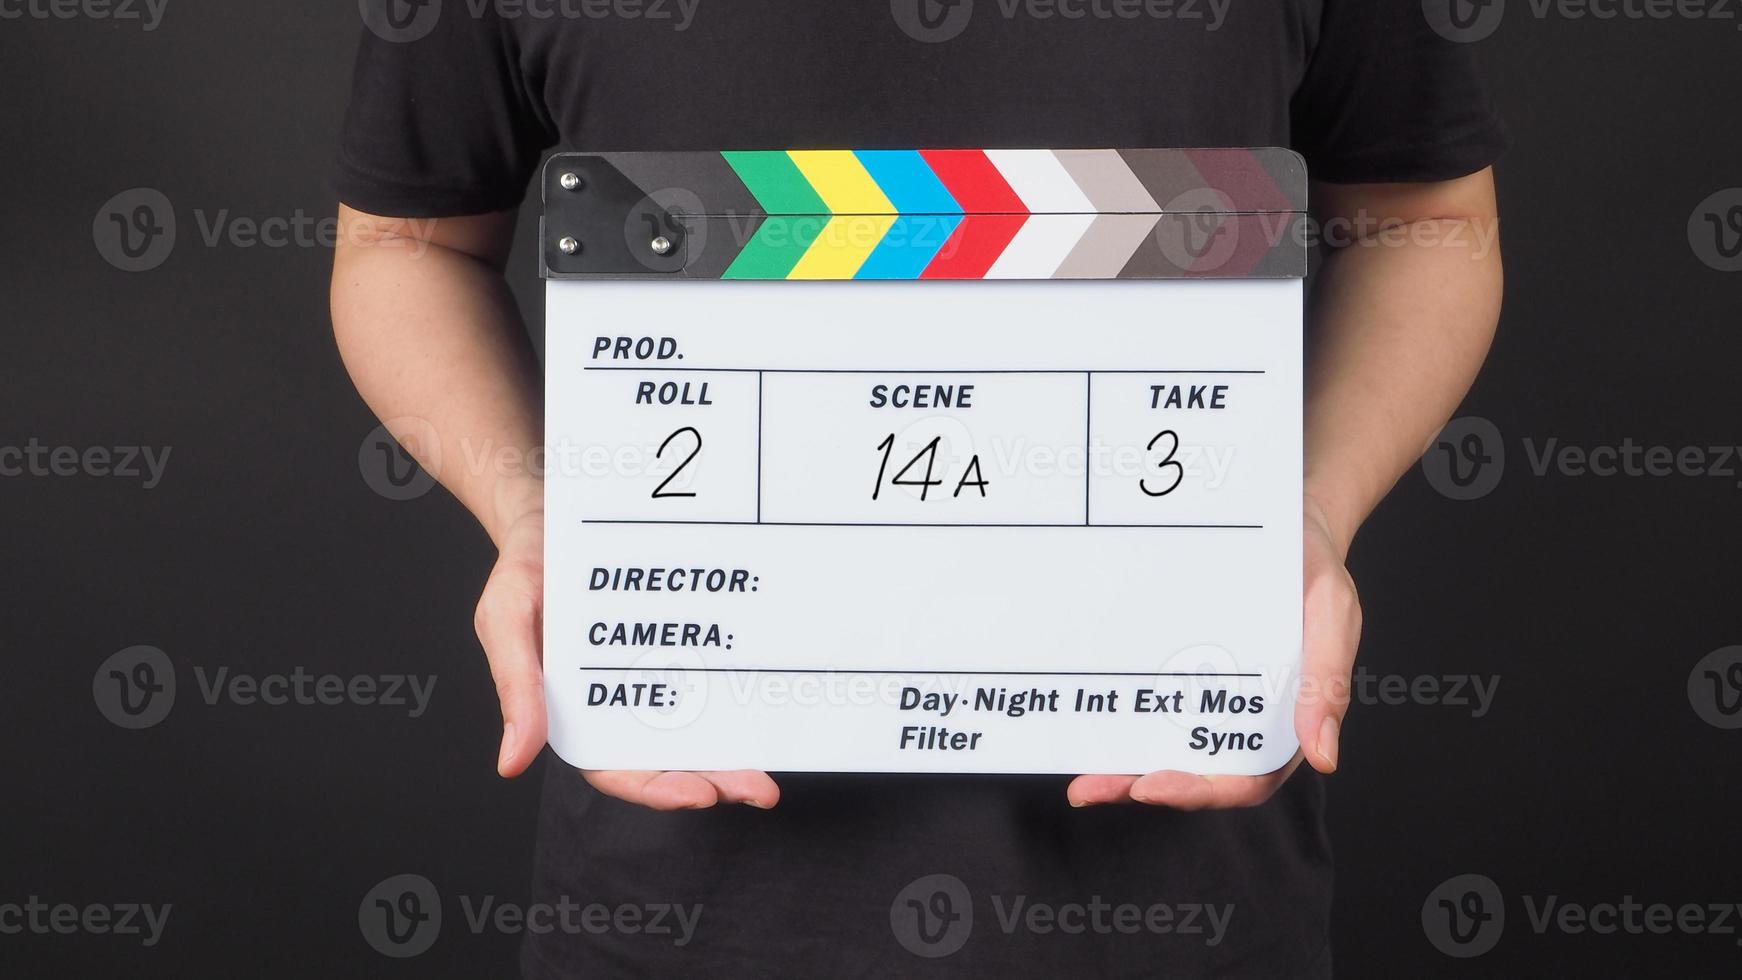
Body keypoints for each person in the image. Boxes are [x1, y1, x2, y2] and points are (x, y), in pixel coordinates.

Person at [329, 1, 1503, 974]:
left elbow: (1422, 219)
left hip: (1182, 893)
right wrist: (536, 519)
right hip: (675, 897)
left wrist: (1302, 512)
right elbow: (405, 242)